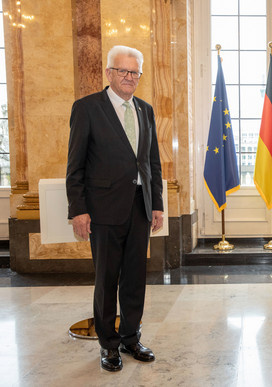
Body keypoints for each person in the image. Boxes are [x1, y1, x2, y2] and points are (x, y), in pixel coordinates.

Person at [66, 45, 164, 372]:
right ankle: (108, 345)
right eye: (122, 71)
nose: (129, 77)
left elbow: (152, 163)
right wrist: (78, 210)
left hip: (140, 208)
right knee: (107, 279)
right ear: (108, 73)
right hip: (103, 210)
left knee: (135, 278)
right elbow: (75, 165)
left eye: (134, 72)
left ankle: (131, 337)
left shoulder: (145, 110)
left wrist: (157, 205)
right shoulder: (87, 109)